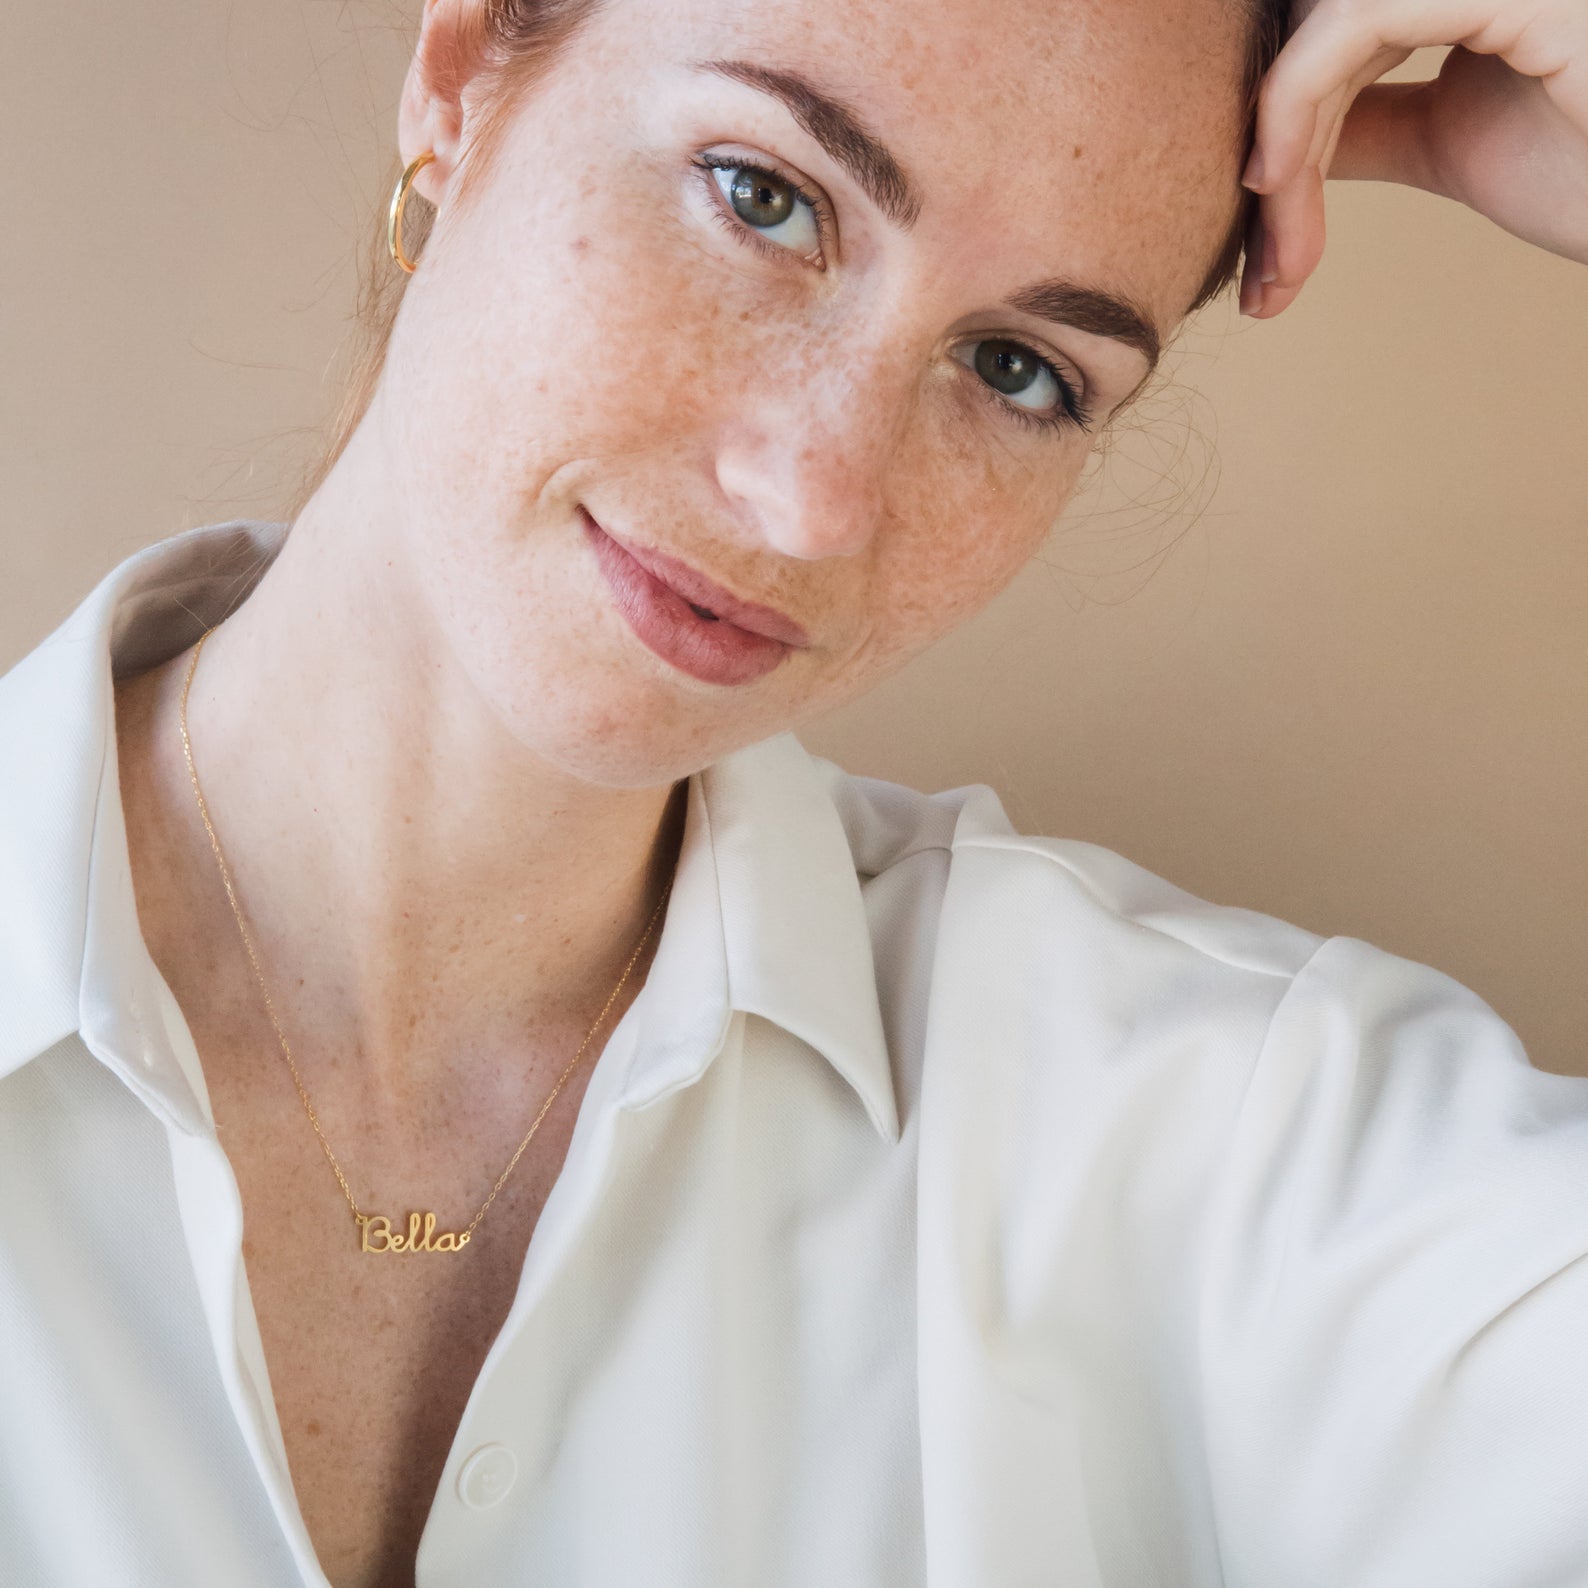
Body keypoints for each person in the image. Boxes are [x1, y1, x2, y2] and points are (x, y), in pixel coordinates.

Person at [1, 0, 1584, 1583]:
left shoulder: (1221, 1142)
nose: (816, 498)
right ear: (465, 69)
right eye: (765, 196)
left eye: (1019, 369)